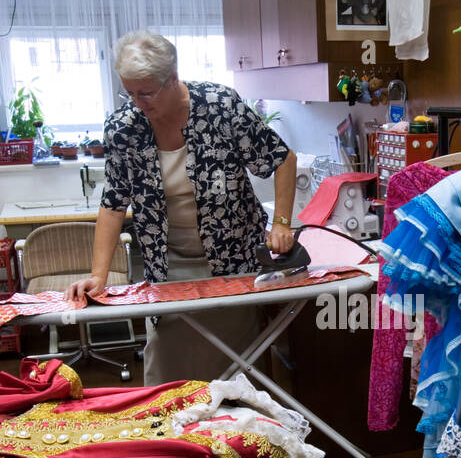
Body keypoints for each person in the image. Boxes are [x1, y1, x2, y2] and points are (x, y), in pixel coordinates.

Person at [65, 31, 297, 385]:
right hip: (167, 270)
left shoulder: (221, 107)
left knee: (238, 377)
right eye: (129, 92)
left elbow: (282, 159)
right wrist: (98, 275)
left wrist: (281, 222)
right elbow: (113, 204)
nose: (137, 102)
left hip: (232, 265)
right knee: (167, 381)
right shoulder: (124, 128)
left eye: (146, 92)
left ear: (172, 78)